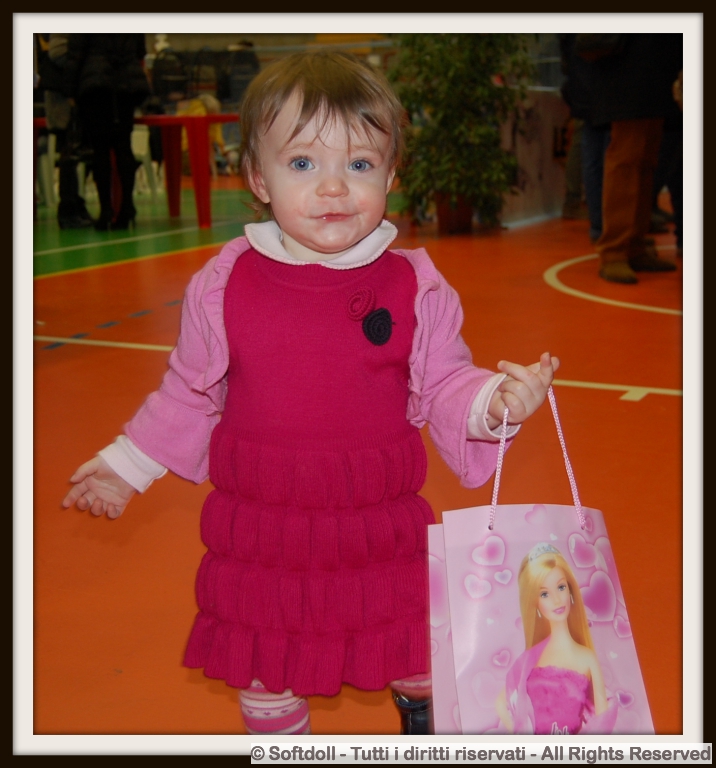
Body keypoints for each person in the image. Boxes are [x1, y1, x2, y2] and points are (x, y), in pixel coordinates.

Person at [62, 50, 559, 736]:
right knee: (269, 674)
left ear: (391, 173)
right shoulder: (225, 284)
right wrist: (126, 465)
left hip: (376, 526)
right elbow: (189, 392)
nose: (333, 188)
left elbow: (445, 380)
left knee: (417, 658)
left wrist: (495, 402)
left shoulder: (414, 285)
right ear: (257, 177)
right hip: (266, 534)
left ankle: (426, 727)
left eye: (359, 164)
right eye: (302, 163)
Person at [576, 34, 682, 284]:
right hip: (629, 67)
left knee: (646, 161)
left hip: (657, 67)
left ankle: (634, 245)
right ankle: (614, 251)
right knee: (626, 159)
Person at [495, 543, 616, 735]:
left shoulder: (586, 657)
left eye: (561, 587)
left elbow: (603, 722)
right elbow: (502, 703)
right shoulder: (529, 659)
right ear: (535, 603)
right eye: (544, 594)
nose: (557, 600)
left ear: (570, 590)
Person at [63, 34, 150, 231]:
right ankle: (126, 206)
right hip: (128, 83)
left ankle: (106, 210)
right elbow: (140, 51)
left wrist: (70, 90)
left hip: (95, 84)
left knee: (100, 150)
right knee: (124, 146)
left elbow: (75, 54)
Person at [37, 33, 93, 229]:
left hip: (71, 93)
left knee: (75, 153)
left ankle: (75, 202)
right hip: (62, 96)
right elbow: (58, 53)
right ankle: (68, 208)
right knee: (69, 152)